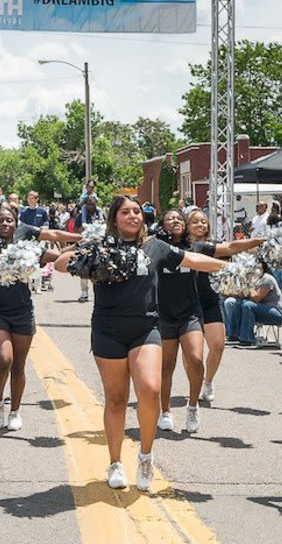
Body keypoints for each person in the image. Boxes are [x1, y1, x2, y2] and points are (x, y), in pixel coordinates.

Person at [55, 197, 227, 491]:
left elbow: (193, 259)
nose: (132, 216)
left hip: (146, 328)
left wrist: (228, 267)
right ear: (114, 218)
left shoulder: (156, 247)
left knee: (149, 389)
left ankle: (145, 456)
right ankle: (115, 462)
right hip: (107, 330)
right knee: (117, 399)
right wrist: (87, 250)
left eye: (137, 211)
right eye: (125, 212)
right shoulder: (101, 245)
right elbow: (60, 264)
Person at [157, 209, 262, 430]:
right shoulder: (155, 247)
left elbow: (230, 247)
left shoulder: (197, 247)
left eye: (178, 218)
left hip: (191, 313)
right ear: (162, 224)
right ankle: (165, 411)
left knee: (195, 359)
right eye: (170, 219)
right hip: (164, 313)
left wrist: (259, 240)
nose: (175, 221)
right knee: (167, 366)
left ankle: (193, 406)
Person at [0, 204, 77, 430]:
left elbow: (58, 257)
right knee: (4, 359)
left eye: (9, 220)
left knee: (19, 365)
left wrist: (80, 247)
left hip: (22, 310)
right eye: (0, 220)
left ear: (16, 223)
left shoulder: (28, 246)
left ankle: (15, 411)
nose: (5, 224)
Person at [221, 261, 282, 348]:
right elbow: (243, 294)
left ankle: (247, 339)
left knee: (248, 305)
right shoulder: (252, 279)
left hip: (277, 312)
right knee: (234, 303)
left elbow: (257, 298)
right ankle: (234, 336)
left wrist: (248, 285)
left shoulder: (267, 279)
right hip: (261, 309)